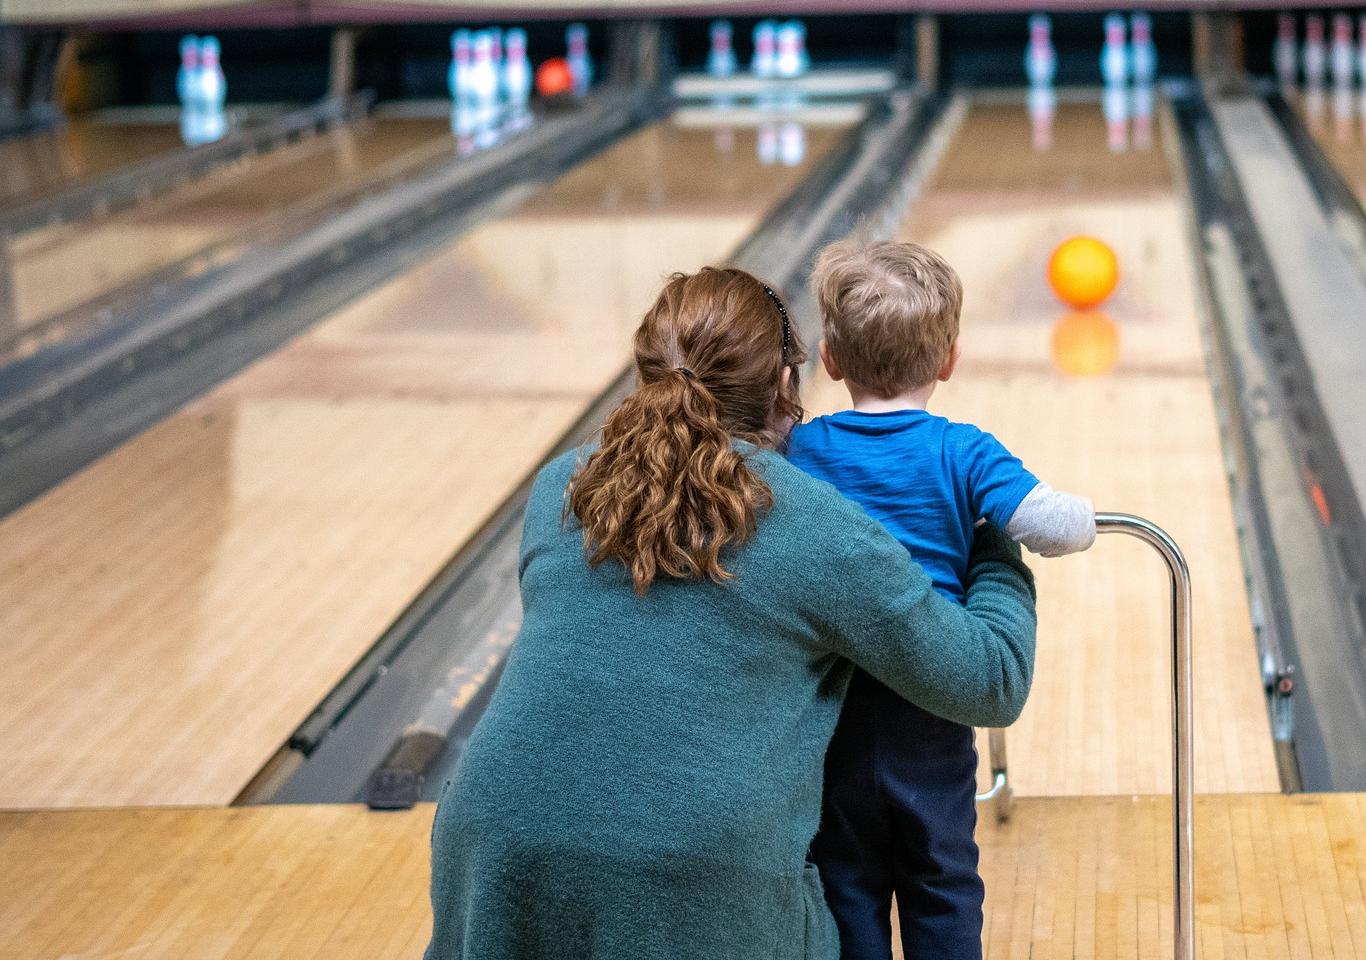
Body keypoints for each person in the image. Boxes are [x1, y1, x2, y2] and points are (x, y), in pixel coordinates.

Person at [424, 266, 1040, 960]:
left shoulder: (558, 490)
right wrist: (990, 539)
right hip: (696, 878)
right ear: (784, 385)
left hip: (492, 853)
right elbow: (991, 679)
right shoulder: (814, 524)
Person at [787, 240, 1097, 960]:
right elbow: (1057, 528)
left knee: (845, 881)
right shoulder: (963, 451)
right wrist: (1077, 515)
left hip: (831, 711)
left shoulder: (803, 450)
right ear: (948, 358)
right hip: (930, 706)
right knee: (941, 878)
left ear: (829, 359)